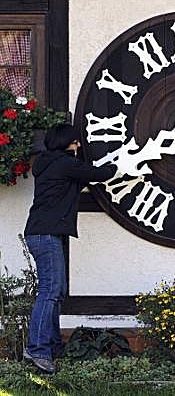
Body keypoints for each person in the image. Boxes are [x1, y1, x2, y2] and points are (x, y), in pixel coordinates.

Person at [23, 124, 117, 373]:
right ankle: (37, 349)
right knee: (50, 292)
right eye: (75, 141)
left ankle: (53, 346)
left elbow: (81, 175)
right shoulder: (64, 164)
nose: (78, 145)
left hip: (42, 233)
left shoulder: (49, 163)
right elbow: (98, 173)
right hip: (46, 235)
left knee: (56, 291)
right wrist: (121, 165)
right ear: (66, 143)